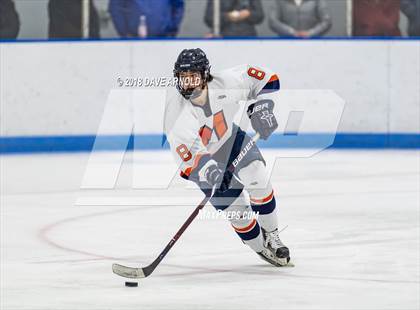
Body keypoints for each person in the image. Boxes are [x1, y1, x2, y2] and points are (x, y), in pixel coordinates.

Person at [164, 48, 291, 266]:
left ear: (206, 75)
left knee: (258, 179)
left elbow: (267, 78)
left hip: (230, 140)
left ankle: (273, 235)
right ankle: (260, 246)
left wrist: (262, 108)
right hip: (203, 159)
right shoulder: (176, 116)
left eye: (193, 77)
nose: (188, 84)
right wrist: (211, 172)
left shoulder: (228, 81)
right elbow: (188, 158)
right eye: (183, 79)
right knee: (238, 213)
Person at [109, 0, 184, 38]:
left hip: (163, 38)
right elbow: (116, 7)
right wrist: (124, 32)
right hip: (133, 40)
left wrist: (172, 28)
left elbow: (178, 6)